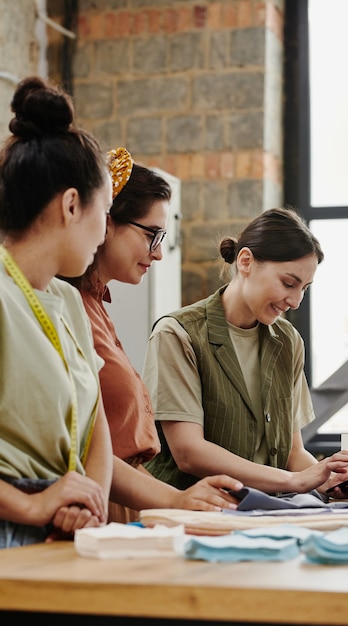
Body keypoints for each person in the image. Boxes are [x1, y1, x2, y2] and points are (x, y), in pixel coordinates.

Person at [142, 207, 348, 499]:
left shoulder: (288, 341)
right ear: (246, 262)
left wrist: (329, 480)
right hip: (198, 515)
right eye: (288, 283)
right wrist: (293, 482)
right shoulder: (178, 334)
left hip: (267, 515)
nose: (295, 301)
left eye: (304, 288)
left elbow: (293, 453)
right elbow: (189, 453)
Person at [62, 147, 244, 523]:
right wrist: (177, 501)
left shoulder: (96, 306)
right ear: (105, 221)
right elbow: (82, 450)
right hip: (100, 501)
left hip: (127, 497)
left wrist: (182, 502)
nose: (158, 254)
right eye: (152, 235)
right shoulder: (67, 304)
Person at [0, 76, 113, 548]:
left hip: (62, 527)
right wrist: (30, 505)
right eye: (105, 211)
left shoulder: (67, 301)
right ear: (71, 204)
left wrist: (89, 504)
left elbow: (97, 428)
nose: (105, 233)